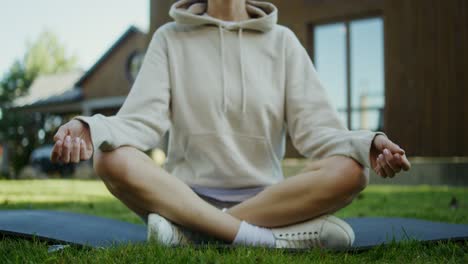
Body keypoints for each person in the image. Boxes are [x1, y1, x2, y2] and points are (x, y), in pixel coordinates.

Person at [50, 0, 411, 249]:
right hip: (183, 196)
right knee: (110, 159)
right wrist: (89, 127)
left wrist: (368, 141)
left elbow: (318, 131)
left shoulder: (282, 42)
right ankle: (263, 240)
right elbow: (139, 123)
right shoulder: (169, 38)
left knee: (352, 172)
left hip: (269, 200)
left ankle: (193, 232)